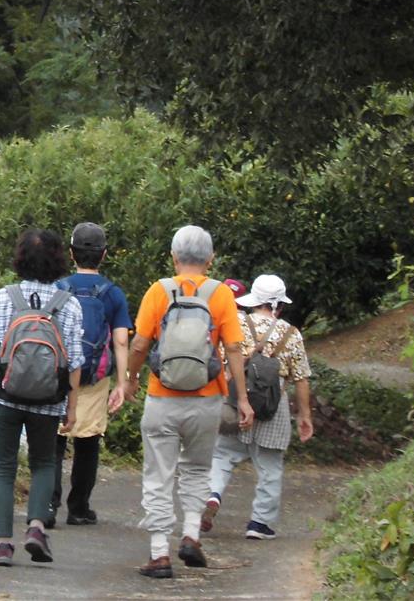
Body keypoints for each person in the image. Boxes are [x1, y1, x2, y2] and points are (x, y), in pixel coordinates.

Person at [125, 225, 254, 579]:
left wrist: (130, 380)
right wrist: (241, 398)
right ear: (210, 260)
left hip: (162, 398)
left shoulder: (158, 291)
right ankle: (192, 535)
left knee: (159, 474)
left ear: (173, 257)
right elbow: (233, 349)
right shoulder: (221, 295)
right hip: (207, 398)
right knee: (198, 468)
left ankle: (159, 555)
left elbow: (139, 345)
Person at [0, 229, 85, 567]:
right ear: (59, 261)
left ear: (20, 259)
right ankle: (35, 526)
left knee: (3, 466)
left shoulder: (5, 298)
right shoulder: (69, 305)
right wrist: (71, 408)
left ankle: (3, 544)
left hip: (5, 396)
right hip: (48, 399)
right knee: (44, 462)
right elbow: (75, 362)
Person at [203, 274, 314, 540]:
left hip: (235, 398)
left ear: (255, 300)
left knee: (222, 455)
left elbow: (218, 358)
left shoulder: (237, 321)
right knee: (270, 467)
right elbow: (301, 378)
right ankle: (259, 525)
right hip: (272, 406)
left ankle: (212, 494)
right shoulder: (292, 334)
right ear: (280, 305)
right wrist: (304, 416)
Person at [48, 222, 132, 527]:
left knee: (54, 441)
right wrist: (122, 383)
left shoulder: (58, 289)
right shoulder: (113, 294)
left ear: (71, 253)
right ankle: (79, 508)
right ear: (104, 255)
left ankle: (48, 503)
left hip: (58, 376)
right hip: (94, 379)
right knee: (87, 442)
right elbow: (121, 340)